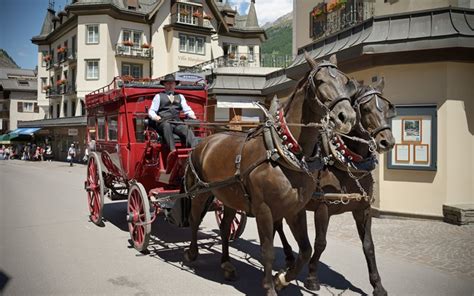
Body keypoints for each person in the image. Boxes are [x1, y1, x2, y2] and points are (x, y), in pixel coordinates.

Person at [148, 73, 198, 153]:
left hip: (176, 122)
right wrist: (155, 117)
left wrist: (191, 114)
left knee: (186, 129)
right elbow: (151, 111)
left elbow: (187, 108)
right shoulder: (158, 96)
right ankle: (173, 150)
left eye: (172, 83)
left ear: (175, 85)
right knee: (167, 126)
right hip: (163, 122)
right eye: (168, 83)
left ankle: (195, 149)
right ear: (164, 84)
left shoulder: (180, 96)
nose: (170, 85)